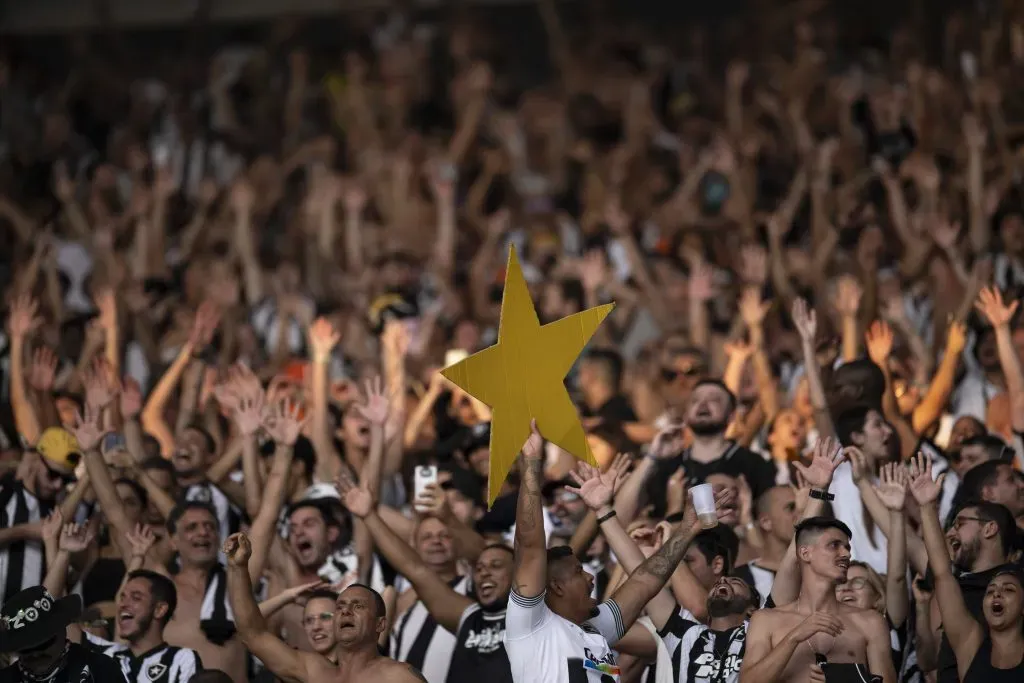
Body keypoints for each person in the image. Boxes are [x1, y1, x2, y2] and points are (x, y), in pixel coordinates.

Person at [503, 421, 728, 683]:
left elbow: (645, 581)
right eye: (578, 572)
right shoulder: (531, 625)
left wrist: (687, 530)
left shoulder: (596, 629)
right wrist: (532, 463)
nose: (590, 578)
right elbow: (529, 546)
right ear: (556, 586)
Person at [337, 470, 514, 683]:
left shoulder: (471, 589)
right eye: (427, 537)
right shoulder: (404, 602)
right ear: (413, 545)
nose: (436, 542)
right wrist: (368, 515)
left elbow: (483, 554)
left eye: (444, 536)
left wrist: (447, 516)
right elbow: (413, 568)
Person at [223, 532, 427, 683]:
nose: (346, 611)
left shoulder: (399, 677)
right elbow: (252, 634)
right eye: (340, 607)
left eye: (358, 606)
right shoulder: (314, 672)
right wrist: (238, 568)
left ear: (380, 624)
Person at [741, 515, 896, 683]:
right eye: (834, 545)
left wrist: (841, 678)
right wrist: (794, 637)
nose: (846, 554)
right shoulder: (766, 620)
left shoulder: (870, 622)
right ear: (805, 553)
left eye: (847, 548)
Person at [910, 453, 1024, 682]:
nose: (996, 594)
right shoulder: (968, 635)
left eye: (960, 524)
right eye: (990, 592)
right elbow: (942, 573)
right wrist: (926, 507)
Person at [0, 427, 81, 605]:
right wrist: (25, 531)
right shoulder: (6, 494)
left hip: (36, 623)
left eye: (66, 479)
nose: (58, 485)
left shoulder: (60, 511)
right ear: (37, 460)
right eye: (52, 474)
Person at [0, 586, 127, 683]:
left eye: (43, 644)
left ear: (62, 630)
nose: (35, 654)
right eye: (26, 649)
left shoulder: (99, 670)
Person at [100, 570, 203, 683]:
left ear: (159, 610)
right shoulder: (105, 657)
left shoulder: (182, 659)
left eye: (136, 598)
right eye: (122, 598)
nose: (123, 604)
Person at [734, 486, 800, 604]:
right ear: (766, 522)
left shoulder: (818, 568)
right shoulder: (742, 578)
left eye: (802, 508)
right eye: (791, 508)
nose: (800, 514)